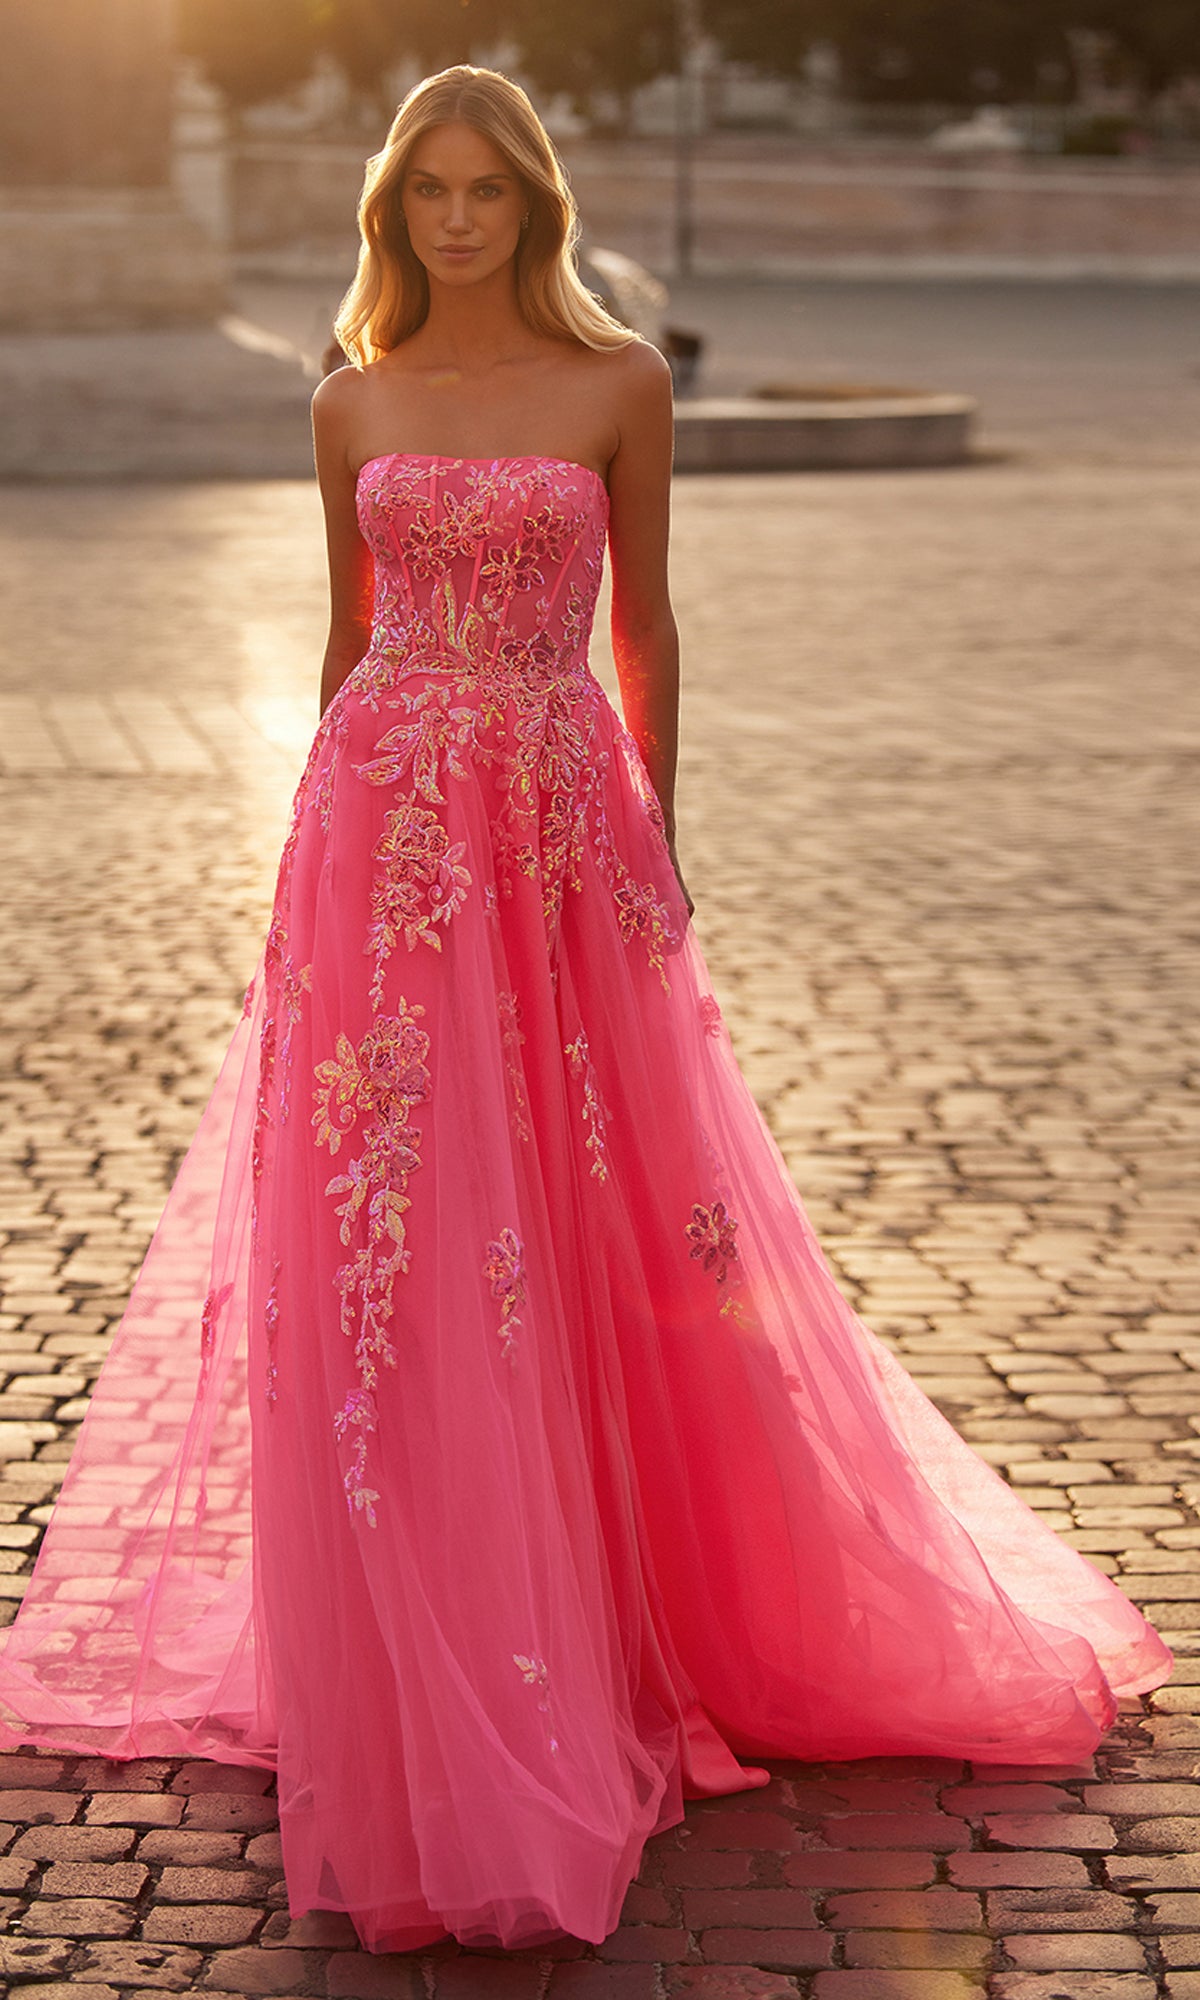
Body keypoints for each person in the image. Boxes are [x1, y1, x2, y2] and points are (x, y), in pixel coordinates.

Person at [0, 65, 1172, 1957]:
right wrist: (317, 849)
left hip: (557, 831)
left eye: (489, 191)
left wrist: (661, 848)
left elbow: (649, 629)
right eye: (430, 196)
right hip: (379, 840)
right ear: (396, 213)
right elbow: (346, 632)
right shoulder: (347, 397)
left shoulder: (623, 384)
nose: (459, 219)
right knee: (390, 1249)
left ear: (535, 205)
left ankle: (612, 1616)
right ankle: (406, 1640)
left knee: (581, 1211)